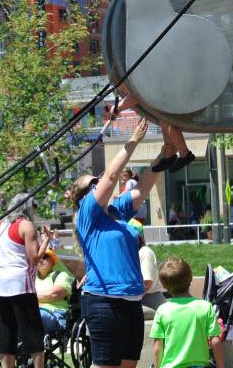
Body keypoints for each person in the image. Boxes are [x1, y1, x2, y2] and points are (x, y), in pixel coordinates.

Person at [67, 118, 176, 368]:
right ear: (85, 197)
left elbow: (146, 183)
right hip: (103, 302)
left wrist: (163, 155)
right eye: (93, 183)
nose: (99, 182)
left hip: (131, 302)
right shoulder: (87, 214)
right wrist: (133, 140)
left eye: (97, 180)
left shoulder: (116, 211)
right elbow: (113, 175)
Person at [0, 192, 50, 368]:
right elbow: (35, 258)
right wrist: (45, 241)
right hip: (20, 284)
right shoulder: (26, 225)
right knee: (32, 333)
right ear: (28, 207)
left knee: (6, 332)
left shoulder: (1, 223)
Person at [150, 257, 224, 368]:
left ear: (164, 285)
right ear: (190, 279)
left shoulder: (162, 311)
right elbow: (215, 341)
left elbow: (157, 347)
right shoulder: (205, 307)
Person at [127, 218, 166, 314]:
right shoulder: (131, 253)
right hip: (140, 299)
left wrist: (130, 300)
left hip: (150, 301)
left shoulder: (145, 252)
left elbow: (147, 283)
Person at [35, 249, 72, 336]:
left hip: (55, 314)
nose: (41, 260)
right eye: (38, 257)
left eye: (44, 257)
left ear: (52, 261)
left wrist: (27, 298)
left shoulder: (61, 275)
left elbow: (54, 294)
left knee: (33, 314)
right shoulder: (32, 278)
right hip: (33, 312)